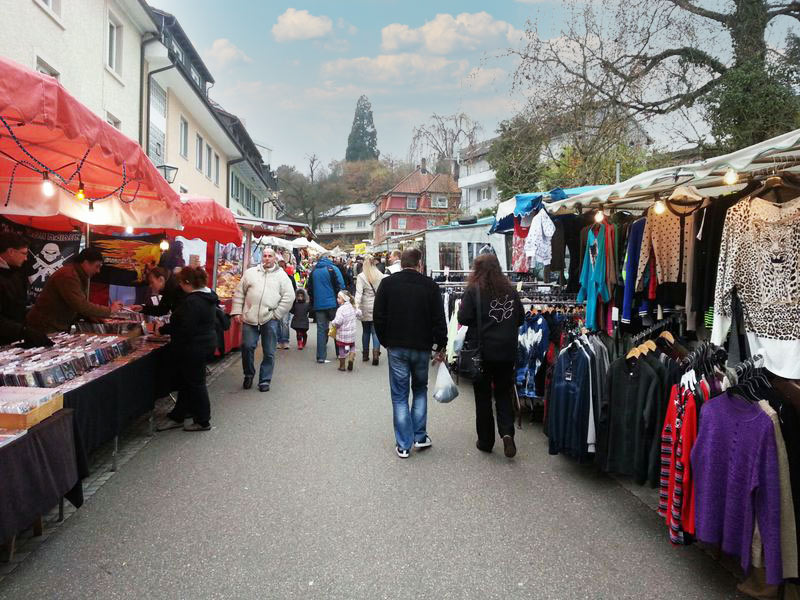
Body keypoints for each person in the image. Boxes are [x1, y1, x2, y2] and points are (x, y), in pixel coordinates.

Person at [374, 248, 447, 459]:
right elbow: (439, 321)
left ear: (401, 262)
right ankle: (419, 436)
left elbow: (379, 316)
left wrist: (386, 341)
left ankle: (404, 445)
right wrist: (440, 346)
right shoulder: (430, 286)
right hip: (422, 347)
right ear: (419, 264)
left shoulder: (387, 284)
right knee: (420, 390)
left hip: (396, 346)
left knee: (399, 395)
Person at [458, 254, 525, 458]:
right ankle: (507, 433)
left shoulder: (474, 290)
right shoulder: (510, 291)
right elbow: (520, 318)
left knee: (483, 396)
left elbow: (464, 318)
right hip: (506, 351)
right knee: (504, 393)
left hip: (483, 351)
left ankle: (486, 441)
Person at [155, 266, 218, 432]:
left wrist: (164, 329)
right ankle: (179, 415)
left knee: (196, 383)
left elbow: (185, 327)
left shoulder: (193, 301)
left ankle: (203, 420)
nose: (180, 286)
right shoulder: (206, 297)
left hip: (194, 347)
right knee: (188, 381)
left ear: (187, 283)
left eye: (181, 282)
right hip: (203, 343)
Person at [231, 247, 295, 392]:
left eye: (269, 256)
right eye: (264, 256)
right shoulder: (250, 273)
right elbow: (239, 292)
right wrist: (236, 312)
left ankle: (265, 380)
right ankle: (248, 374)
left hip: (270, 318)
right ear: (262, 257)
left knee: (269, 351)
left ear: (274, 258)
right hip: (250, 316)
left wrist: (277, 314)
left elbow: (289, 297)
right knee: (247, 347)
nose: (267, 258)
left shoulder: (282, 276)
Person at [26, 246, 122, 334]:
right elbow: (81, 305)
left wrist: (93, 316)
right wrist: (110, 310)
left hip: (52, 326)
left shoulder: (76, 274)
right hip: (44, 327)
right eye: (97, 266)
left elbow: (77, 305)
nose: (98, 271)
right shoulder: (68, 276)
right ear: (86, 263)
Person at [0, 232, 52, 346]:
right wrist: (23, 331)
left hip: (12, 338)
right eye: (23, 253)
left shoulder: (16, 271)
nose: (26, 258)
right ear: (10, 252)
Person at [307, 252, 345, 364]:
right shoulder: (333, 269)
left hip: (319, 305)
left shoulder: (314, 271)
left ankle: (320, 357)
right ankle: (340, 354)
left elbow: (310, 289)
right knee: (337, 328)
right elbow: (341, 285)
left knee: (321, 330)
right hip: (333, 304)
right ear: (328, 258)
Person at [355, 254, 386, 365]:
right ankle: (376, 354)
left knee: (366, 331)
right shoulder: (380, 275)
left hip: (365, 306)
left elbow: (358, 293)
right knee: (375, 332)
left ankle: (365, 355)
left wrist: (356, 306)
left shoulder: (361, 276)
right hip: (377, 306)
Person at [330, 290, 361, 372]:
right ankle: (351, 357)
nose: (337, 299)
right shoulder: (352, 306)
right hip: (352, 334)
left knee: (341, 348)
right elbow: (359, 313)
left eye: (339, 298)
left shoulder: (340, 309)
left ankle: (342, 365)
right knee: (352, 346)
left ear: (344, 299)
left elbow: (338, 321)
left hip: (342, 334)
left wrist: (333, 323)